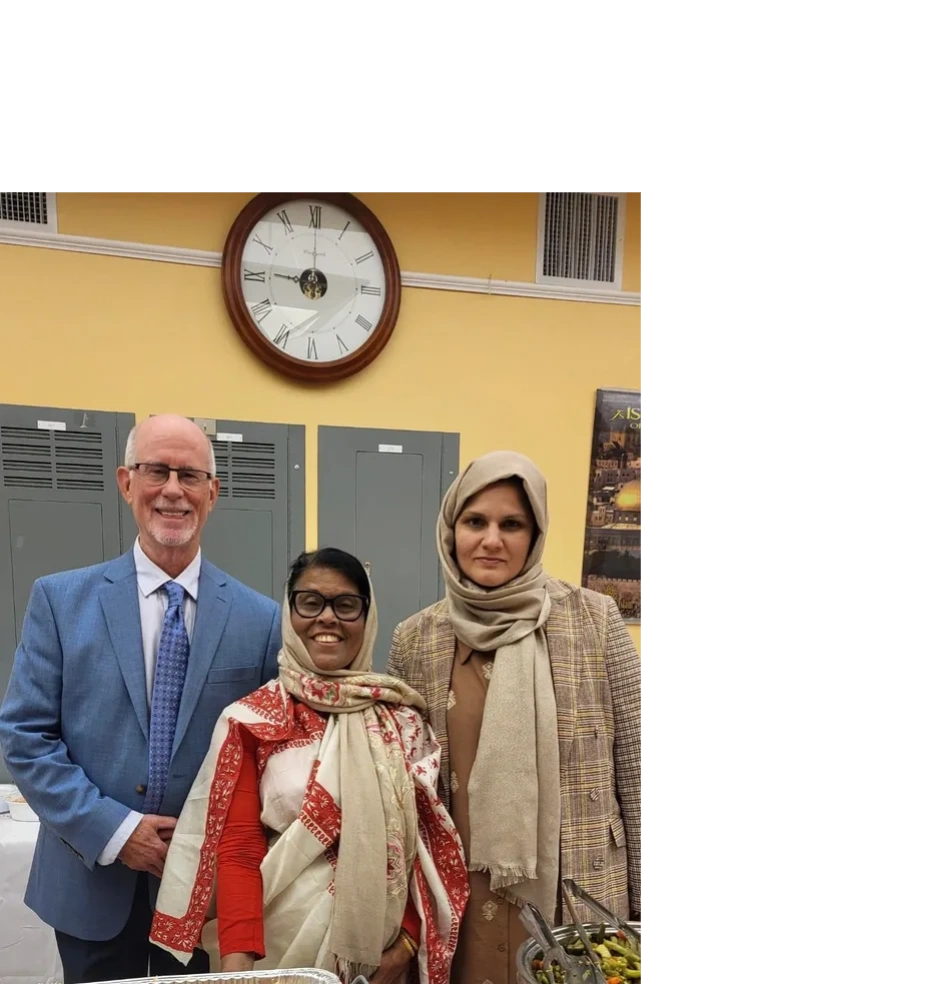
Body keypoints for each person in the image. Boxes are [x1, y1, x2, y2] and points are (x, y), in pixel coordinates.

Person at [0, 414, 282, 984]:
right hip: (90, 885)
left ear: (212, 493)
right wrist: (115, 830)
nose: (173, 490)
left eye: (190, 475)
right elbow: (25, 736)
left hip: (207, 893)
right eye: (157, 471)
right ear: (127, 482)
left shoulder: (260, 620)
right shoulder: (60, 601)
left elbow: (268, 755)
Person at [150, 547, 469, 984]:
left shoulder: (402, 722)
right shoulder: (252, 720)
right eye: (311, 602)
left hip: (385, 956)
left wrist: (407, 946)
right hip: (279, 949)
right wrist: (239, 971)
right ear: (289, 612)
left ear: (367, 617)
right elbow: (240, 850)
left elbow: (424, 850)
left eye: (346, 605)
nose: (327, 618)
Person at [386, 451, 642, 984]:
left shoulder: (594, 620)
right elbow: (402, 789)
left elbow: (636, 769)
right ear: (451, 530)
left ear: (535, 533)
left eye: (512, 525)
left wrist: (644, 901)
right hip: (459, 890)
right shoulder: (416, 639)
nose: (491, 540)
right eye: (475, 522)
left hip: (576, 884)